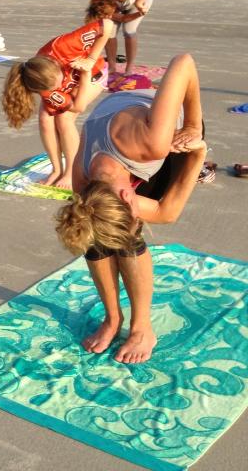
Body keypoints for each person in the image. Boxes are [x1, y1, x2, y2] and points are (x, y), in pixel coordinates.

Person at [55, 53, 205, 363]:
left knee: (128, 240)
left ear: (130, 198)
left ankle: (142, 327)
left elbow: (183, 62)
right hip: (114, 132)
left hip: (164, 127)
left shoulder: (153, 142)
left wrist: (195, 136)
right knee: (96, 238)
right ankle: (113, 319)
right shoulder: (82, 187)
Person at [2, 13, 116, 189]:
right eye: (55, 88)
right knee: (45, 119)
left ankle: (72, 172)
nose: (60, 86)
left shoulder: (64, 46)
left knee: (64, 119)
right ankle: (56, 169)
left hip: (93, 75)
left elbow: (107, 25)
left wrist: (89, 62)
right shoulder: (43, 84)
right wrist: (58, 89)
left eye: (60, 81)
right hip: (73, 79)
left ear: (55, 65)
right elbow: (69, 100)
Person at [93, 0, 153, 76]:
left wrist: (139, 7)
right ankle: (112, 66)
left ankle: (129, 67)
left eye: (109, 15)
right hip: (115, 3)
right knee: (109, 32)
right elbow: (123, 18)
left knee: (129, 30)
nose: (109, 17)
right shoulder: (98, 5)